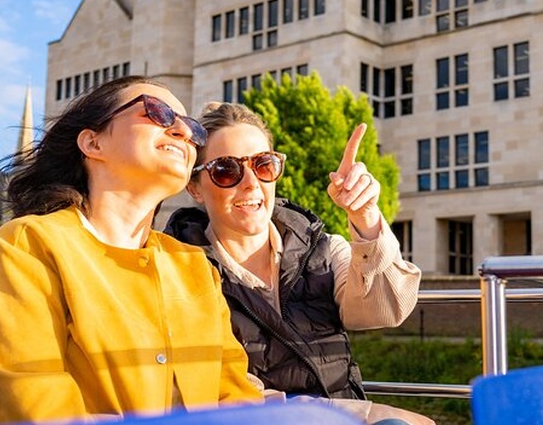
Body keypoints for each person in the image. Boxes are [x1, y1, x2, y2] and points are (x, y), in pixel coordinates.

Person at [0, 77, 262, 425]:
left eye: (192, 128)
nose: (183, 131)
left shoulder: (193, 265)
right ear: (92, 142)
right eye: (158, 113)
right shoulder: (26, 248)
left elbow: (235, 397)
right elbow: (33, 408)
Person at [165, 102, 433, 425]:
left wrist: (366, 218)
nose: (251, 183)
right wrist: (365, 414)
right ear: (194, 186)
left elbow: (385, 310)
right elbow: (226, 398)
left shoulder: (319, 248)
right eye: (226, 170)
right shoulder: (181, 273)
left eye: (263, 165)